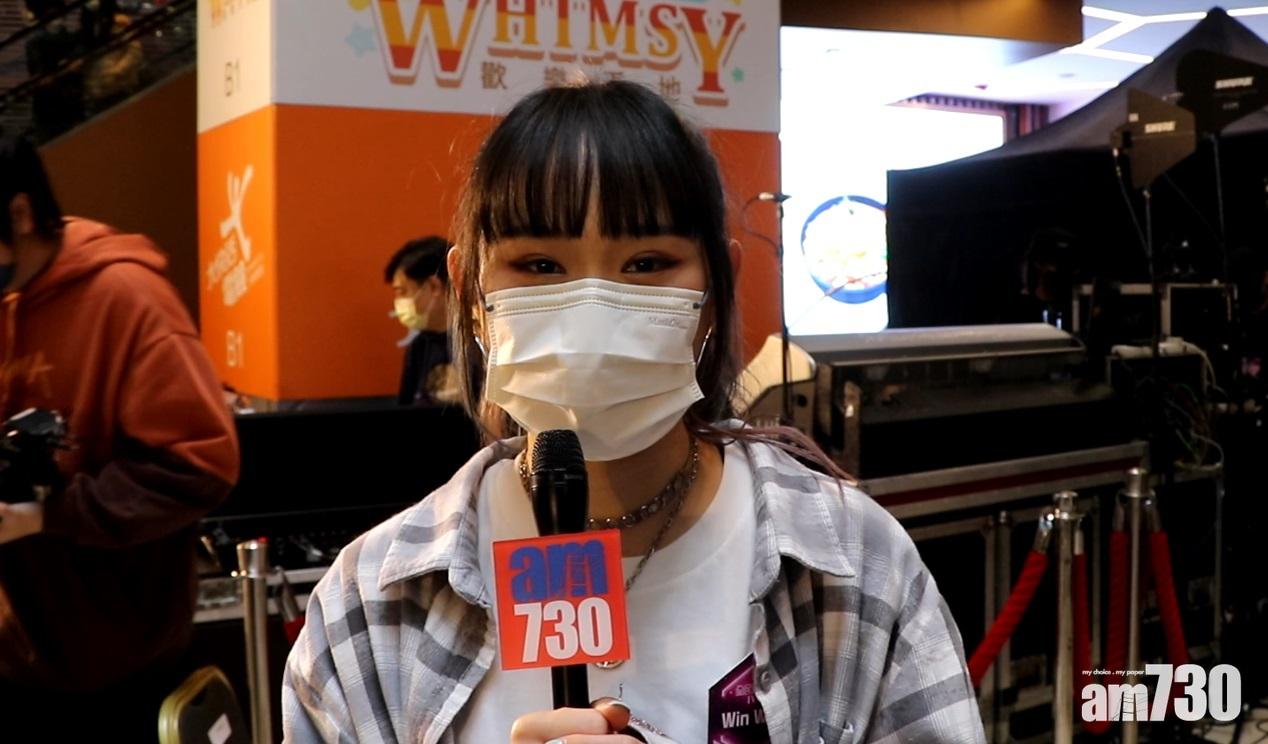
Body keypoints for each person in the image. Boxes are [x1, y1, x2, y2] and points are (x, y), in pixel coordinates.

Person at [284, 81, 984, 744]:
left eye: (647, 263)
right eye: (539, 266)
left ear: (717, 288)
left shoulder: (854, 562)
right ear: (471, 292)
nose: (592, 308)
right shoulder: (371, 601)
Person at [0, 135, 240, 740]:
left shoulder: (126, 298)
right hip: (17, 649)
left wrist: (46, 516)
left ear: (20, 213)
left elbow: (199, 468)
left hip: (117, 659)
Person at [385, 235, 458, 406]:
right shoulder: (419, 346)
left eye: (402, 291)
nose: (398, 302)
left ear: (434, 286)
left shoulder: (480, 341)